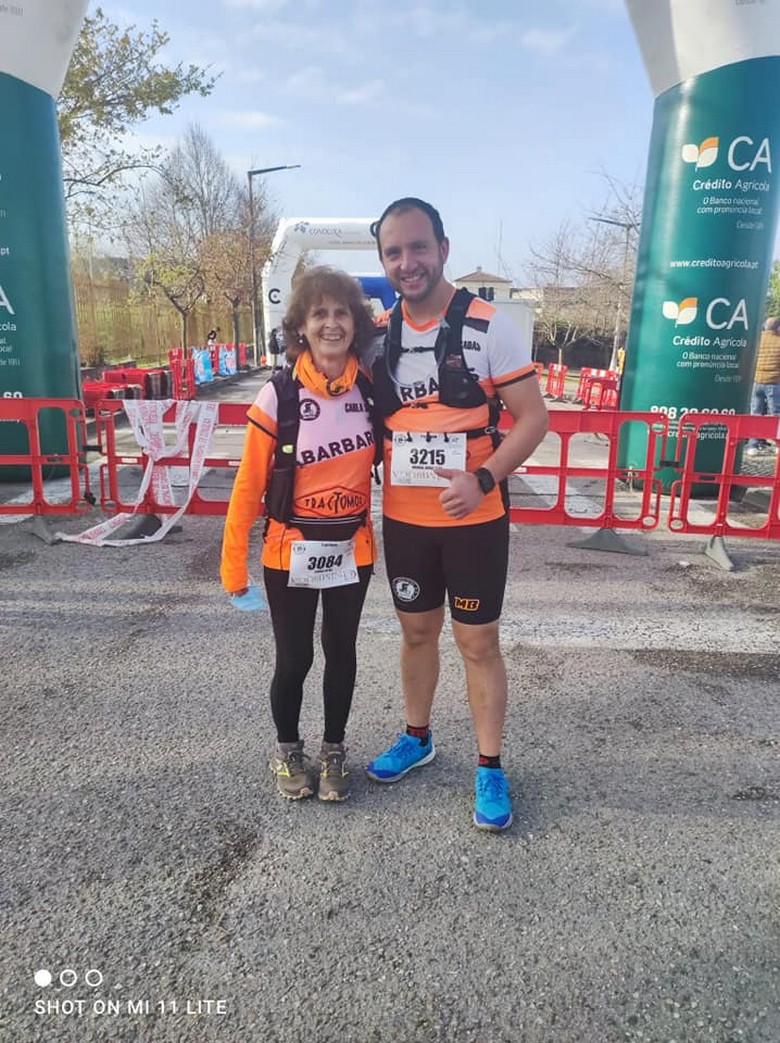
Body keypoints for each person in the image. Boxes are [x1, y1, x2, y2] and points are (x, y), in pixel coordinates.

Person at [364, 197, 549, 832]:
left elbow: (533, 419)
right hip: (406, 521)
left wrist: (484, 478)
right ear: (383, 261)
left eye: (418, 247)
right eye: (394, 252)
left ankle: (490, 765)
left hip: (475, 520)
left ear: (442, 249)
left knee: (477, 642)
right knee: (416, 634)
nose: (407, 262)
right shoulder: (376, 337)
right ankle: (417, 737)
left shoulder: (488, 326)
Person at [221, 267, 378, 802]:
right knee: (295, 659)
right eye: (319, 314)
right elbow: (247, 487)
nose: (331, 324)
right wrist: (232, 566)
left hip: (351, 548)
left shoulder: (371, 390)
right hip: (289, 550)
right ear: (301, 328)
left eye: (341, 313)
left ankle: (334, 750)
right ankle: (288, 749)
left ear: (356, 324)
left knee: (341, 652)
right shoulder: (278, 395)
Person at [746, 316, 780, 456]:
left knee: (755, 413)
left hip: (757, 381)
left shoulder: (757, 339)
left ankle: (752, 445)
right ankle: (778, 444)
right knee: (776, 415)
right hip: (774, 382)